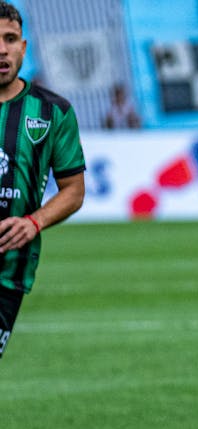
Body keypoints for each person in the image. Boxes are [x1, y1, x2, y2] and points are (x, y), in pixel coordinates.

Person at [0, 2, 87, 361]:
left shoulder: (53, 111)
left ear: (23, 47)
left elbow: (74, 190)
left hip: (7, 274)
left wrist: (34, 222)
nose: (1, 49)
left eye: (10, 39)